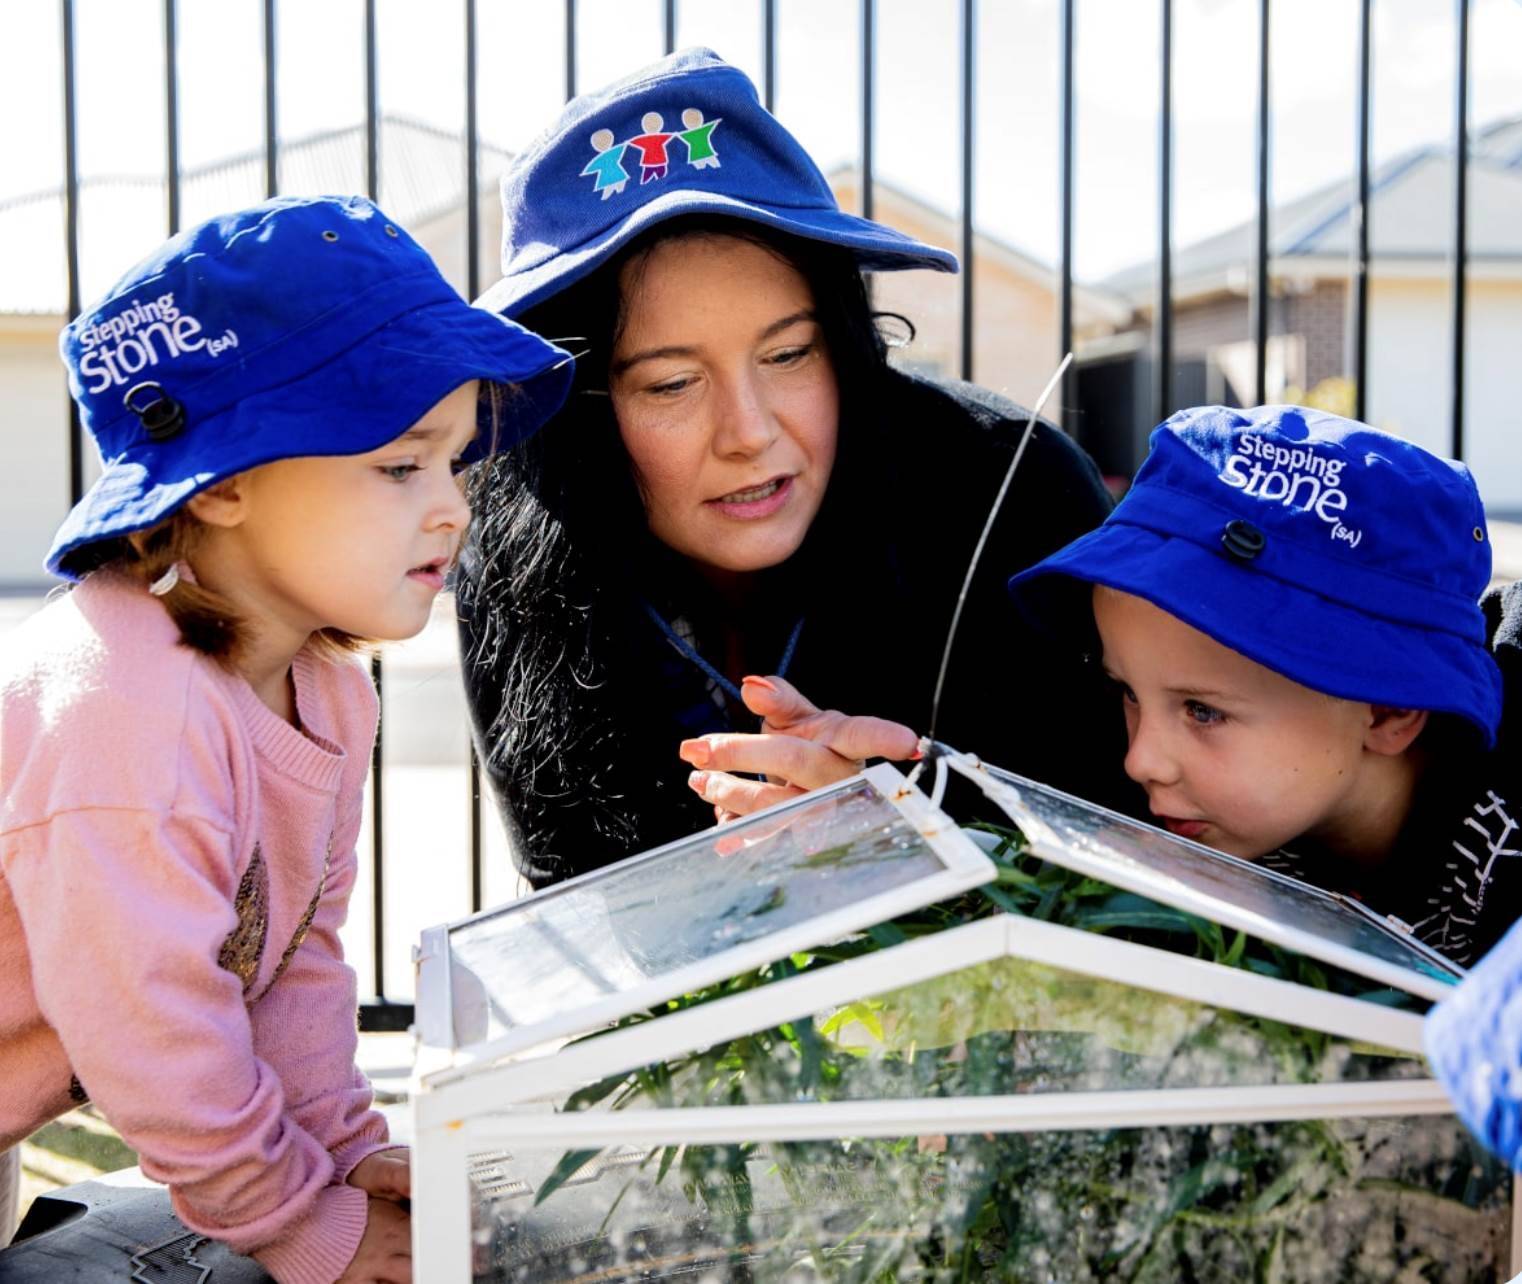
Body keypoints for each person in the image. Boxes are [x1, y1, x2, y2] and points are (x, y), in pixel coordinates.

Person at [0, 196, 571, 1278]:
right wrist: (303, 1224)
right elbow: (154, 1037)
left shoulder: (324, 687)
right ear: (222, 486)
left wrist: (343, 1156)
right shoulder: (130, 714)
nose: (452, 507)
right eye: (403, 465)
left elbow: (293, 959)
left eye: (455, 462)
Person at [458, 47, 1118, 889]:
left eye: (790, 354)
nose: (749, 432)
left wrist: (927, 819)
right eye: (671, 383)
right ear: (574, 408)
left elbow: (1132, 855)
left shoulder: (1010, 485)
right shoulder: (521, 550)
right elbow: (578, 898)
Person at [1005, 404, 1519, 968]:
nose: (1141, 761)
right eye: (1128, 692)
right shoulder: (1243, 804)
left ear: (1387, 711)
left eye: (1202, 711)